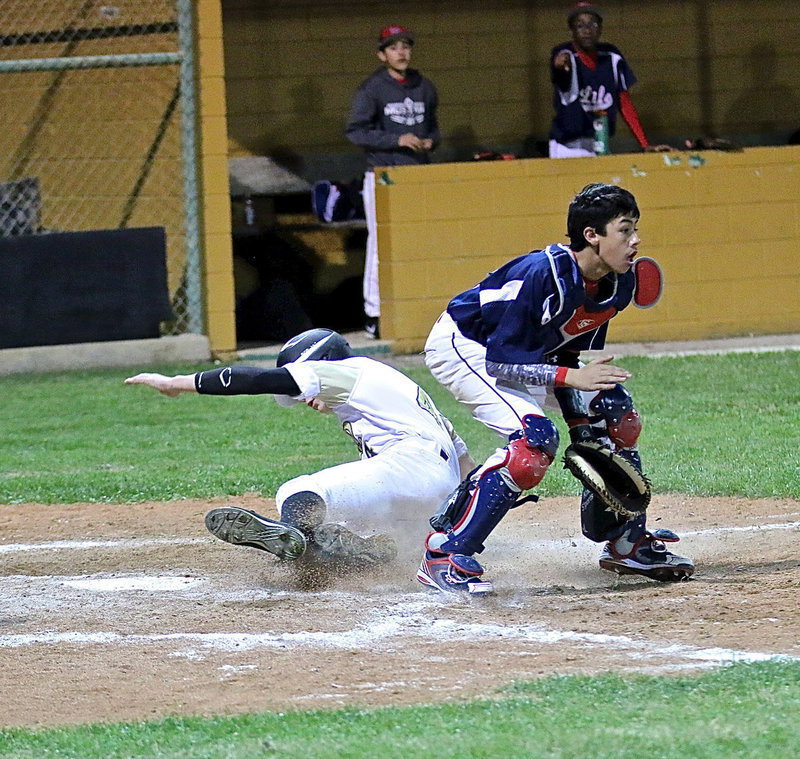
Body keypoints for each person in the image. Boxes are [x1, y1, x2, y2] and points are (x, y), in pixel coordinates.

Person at [416, 183, 694, 594]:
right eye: (625, 230)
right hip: (467, 346)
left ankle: (625, 541)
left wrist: (585, 428)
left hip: (520, 353)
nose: (635, 241)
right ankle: (445, 553)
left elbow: (564, 353)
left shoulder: (618, 283)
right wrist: (571, 380)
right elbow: (501, 361)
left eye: (635, 229)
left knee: (615, 415)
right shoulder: (541, 274)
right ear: (591, 236)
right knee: (533, 442)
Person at [125, 328, 473, 574]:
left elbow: (253, 380)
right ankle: (343, 554)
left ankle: (293, 536)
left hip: (409, 467)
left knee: (298, 493)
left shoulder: (346, 371)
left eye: (302, 388)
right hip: (434, 494)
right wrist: (465, 526)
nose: (304, 401)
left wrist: (176, 384)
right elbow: (466, 467)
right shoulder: (398, 391)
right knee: (343, 525)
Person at [345, 24, 440, 339]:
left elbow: (434, 130)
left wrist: (428, 142)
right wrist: (398, 139)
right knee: (379, 245)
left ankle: (416, 308)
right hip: (382, 175)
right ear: (382, 54)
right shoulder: (372, 88)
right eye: (394, 47)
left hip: (416, 175)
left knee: (418, 242)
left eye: (405, 46)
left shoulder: (423, 85)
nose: (401, 52)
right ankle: (374, 313)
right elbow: (356, 131)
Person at [549, 2, 672, 158]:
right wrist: (560, 66)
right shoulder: (565, 53)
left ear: (600, 28)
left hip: (600, 142)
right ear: (571, 30)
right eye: (580, 26)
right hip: (567, 146)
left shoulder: (611, 56)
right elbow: (561, 72)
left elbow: (624, 102)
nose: (587, 31)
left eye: (592, 24)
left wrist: (644, 144)